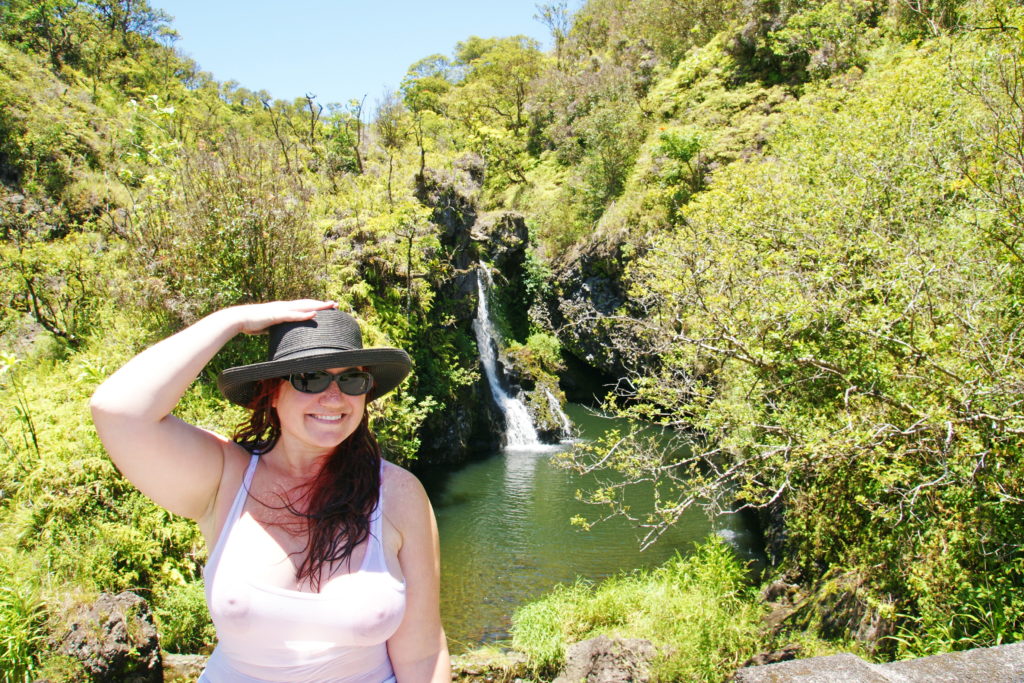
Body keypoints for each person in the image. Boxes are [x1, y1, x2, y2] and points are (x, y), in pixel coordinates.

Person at [90, 300, 450, 682]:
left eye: (351, 380)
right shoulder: (225, 477)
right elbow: (117, 410)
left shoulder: (397, 493)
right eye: (310, 377)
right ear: (272, 392)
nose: (334, 397)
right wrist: (232, 319)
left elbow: (423, 654)